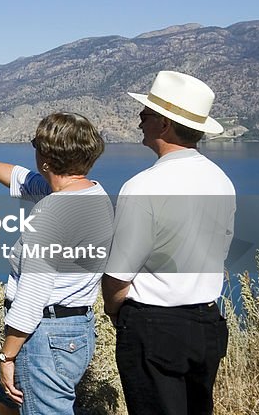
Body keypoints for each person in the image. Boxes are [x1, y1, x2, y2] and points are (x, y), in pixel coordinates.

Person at [0, 112, 113, 415]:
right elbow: (21, 178)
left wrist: (7, 357)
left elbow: (33, 296)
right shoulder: (93, 194)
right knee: (2, 388)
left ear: (46, 158)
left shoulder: (51, 213)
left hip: (44, 336)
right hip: (76, 330)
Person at [102, 71, 236, 415]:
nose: (138, 121)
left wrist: (117, 312)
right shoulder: (221, 181)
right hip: (208, 325)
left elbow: (119, 273)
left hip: (154, 329)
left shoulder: (144, 186)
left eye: (145, 115)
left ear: (163, 124)